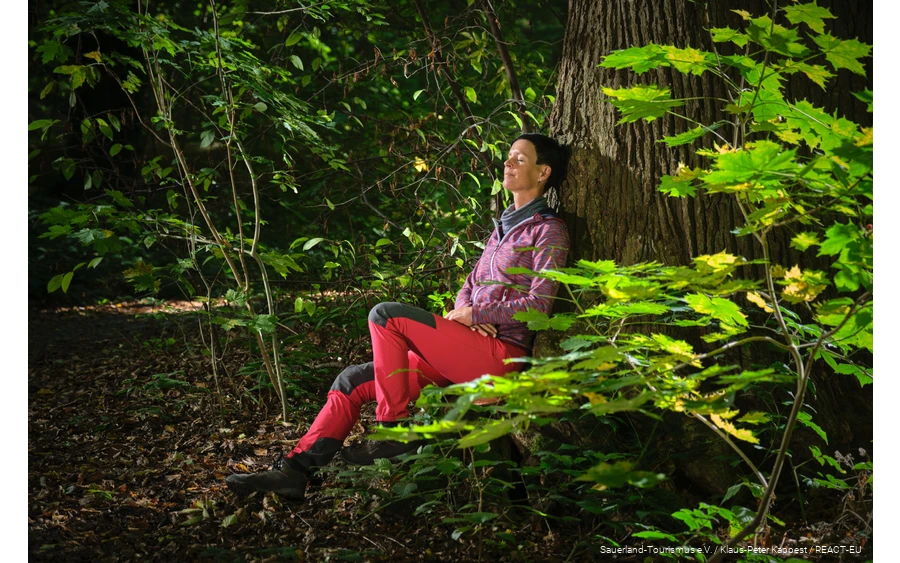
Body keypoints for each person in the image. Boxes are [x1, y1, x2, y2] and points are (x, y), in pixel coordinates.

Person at [225, 133, 571, 502]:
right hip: (465, 347)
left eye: (520, 158)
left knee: (385, 315)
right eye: (509, 156)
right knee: (353, 380)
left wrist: (478, 314)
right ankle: (294, 472)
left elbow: (539, 305)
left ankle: (393, 428)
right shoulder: (501, 226)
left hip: (500, 356)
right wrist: (464, 311)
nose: (508, 163)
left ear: (543, 172)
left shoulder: (548, 229)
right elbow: (470, 284)